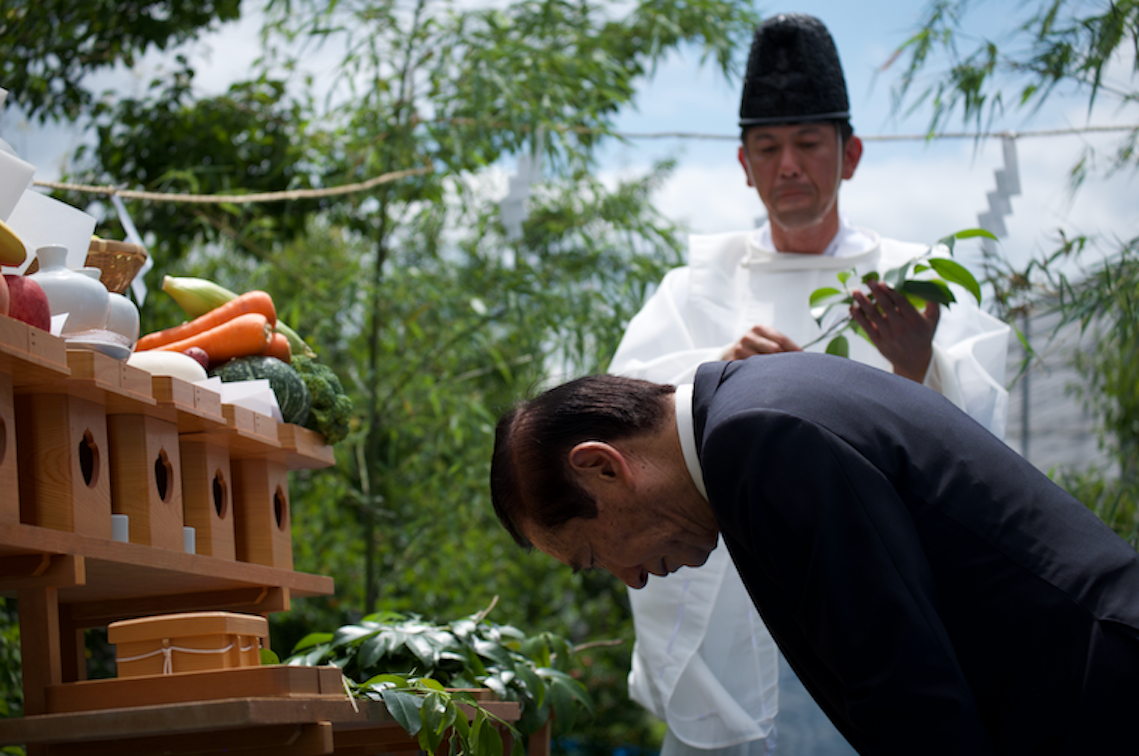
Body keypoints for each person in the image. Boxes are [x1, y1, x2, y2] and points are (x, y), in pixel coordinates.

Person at [606, 13, 1010, 755]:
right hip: (739, 604)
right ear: (743, 164)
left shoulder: (911, 276)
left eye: (807, 144)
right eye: (767, 147)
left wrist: (919, 364)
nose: (787, 164)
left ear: (848, 155)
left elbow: (986, 436)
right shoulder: (696, 284)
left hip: (874, 593)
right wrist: (711, 380)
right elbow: (616, 417)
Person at [489, 353, 1139, 755]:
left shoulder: (759, 440)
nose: (629, 581)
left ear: (602, 467)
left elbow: (901, 682)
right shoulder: (752, 405)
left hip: (1091, 699)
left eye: (592, 556)